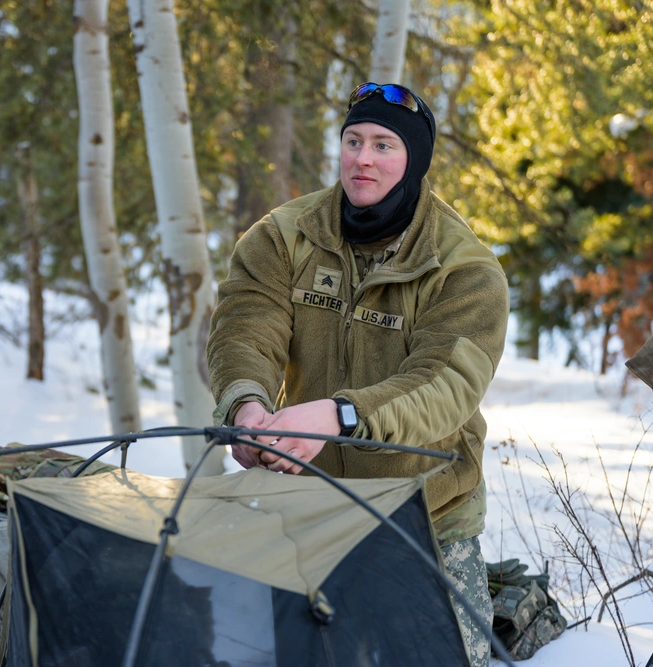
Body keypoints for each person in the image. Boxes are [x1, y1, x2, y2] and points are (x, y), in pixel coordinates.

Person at [206, 82, 509, 667]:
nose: (363, 158)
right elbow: (244, 330)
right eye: (353, 141)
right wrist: (245, 408)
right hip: (306, 509)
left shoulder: (465, 269)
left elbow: (445, 386)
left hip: (426, 519)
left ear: (413, 160)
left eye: (384, 145)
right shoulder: (282, 236)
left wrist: (340, 416)